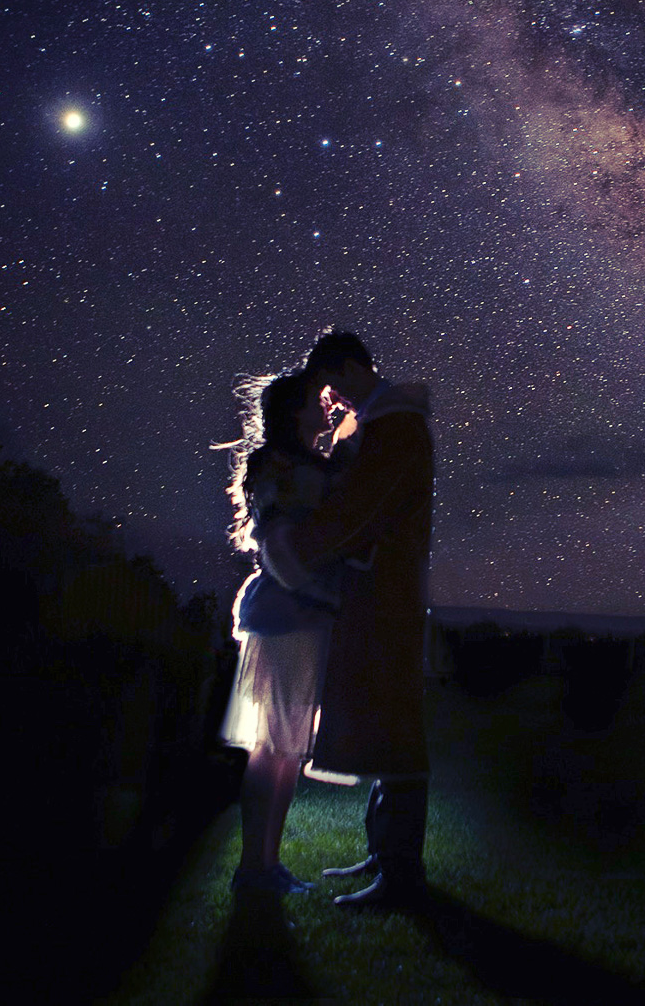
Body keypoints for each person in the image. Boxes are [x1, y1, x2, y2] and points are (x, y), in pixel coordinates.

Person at [265, 328, 434, 908]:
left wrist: (292, 549)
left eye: (330, 385)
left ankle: (400, 871)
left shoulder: (397, 428)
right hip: (377, 592)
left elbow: (359, 512)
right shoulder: (382, 426)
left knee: (397, 731)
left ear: (349, 368)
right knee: (387, 725)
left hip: (385, 594)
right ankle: (384, 852)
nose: (330, 401)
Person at [216, 370, 341, 894]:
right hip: (290, 613)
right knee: (271, 747)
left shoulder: (308, 464)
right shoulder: (278, 465)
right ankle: (254, 867)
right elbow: (277, 540)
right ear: (295, 411)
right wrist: (317, 592)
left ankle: (267, 864)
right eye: (319, 401)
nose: (329, 408)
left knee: (286, 747)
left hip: (305, 614)